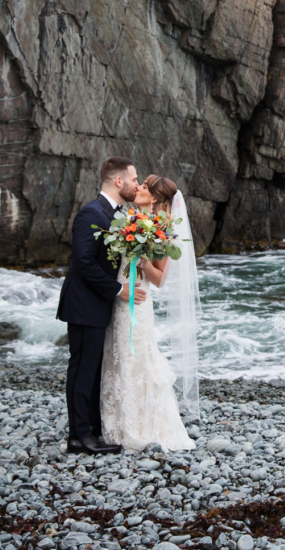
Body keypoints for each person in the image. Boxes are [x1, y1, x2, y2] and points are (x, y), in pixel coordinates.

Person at [99, 175, 201, 452]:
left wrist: (142, 260)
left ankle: (140, 425)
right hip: (118, 295)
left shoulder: (163, 228)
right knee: (115, 355)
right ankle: (113, 423)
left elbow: (159, 280)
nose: (138, 188)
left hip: (139, 301)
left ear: (154, 197)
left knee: (136, 358)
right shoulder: (129, 218)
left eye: (144, 186)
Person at [56, 156, 146, 455]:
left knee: (92, 369)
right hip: (84, 305)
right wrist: (118, 289)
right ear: (118, 181)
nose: (137, 184)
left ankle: (91, 429)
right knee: (82, 370)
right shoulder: (91, 213)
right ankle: (79, 437)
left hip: (96, 305)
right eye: (134, 179)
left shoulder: (113, 213)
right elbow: (83, 262)